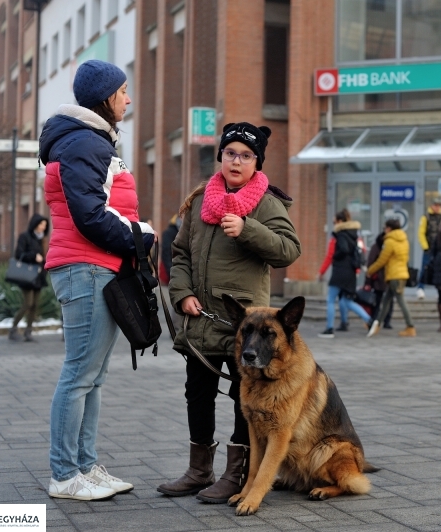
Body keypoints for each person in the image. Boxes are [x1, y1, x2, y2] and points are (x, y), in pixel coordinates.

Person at [158, 122, 301, 504]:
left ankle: (236, 474)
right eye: (230, 153)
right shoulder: (201, 199)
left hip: (246, 325)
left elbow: (289, 251)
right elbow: (180, 253)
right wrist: (182, 293)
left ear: (257, 162)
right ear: (220, 156)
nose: (236, 161)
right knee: (197, 392)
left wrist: (248, 228)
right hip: (201, 319)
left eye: (246, 155)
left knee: (244, 398)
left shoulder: (266, 203)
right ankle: (199, 470)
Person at [40, 59, 155, 500]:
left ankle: (86, 466)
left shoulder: (89, 140)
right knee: (79, 374)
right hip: (85, 266)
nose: (129, 98)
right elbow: (90, 215)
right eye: (123, 91)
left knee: (93, 375)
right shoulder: (85, 142)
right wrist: (140, 236)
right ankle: (65, 475)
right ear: (107, 97)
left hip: (96, 267)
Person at [316, 209, 372, 338]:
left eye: (334, 222)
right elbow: (360, 252)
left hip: (340, 272)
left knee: (331, 299)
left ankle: (329, 329)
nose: (334, 224)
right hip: (351, 272)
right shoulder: (356, 235)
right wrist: (357, 270)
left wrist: (321, 272)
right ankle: (368, 320)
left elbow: (330, 256)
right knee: (346, 301)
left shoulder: (338, 236)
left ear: (340, 221)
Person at [366, 218, 416, 338]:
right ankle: (377, 324)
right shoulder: (404, 240)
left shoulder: (390, 242)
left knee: (401, 301)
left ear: (389, 229)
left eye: (385, 228)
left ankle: (410, 326)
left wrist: (370, 270)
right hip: (402, 274)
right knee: (386, 301)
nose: (384, 230)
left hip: (394, 276)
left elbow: (382, 260)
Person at [8, 214, 50, 342]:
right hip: (26, 275)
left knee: (35, 305)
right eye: (41, 224)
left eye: (45, 225)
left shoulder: (44, 240)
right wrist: (33, 256)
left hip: (39, 275)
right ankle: (13, 328)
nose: (43, 227)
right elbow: (19, 254)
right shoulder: (25, 236)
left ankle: (28, 331)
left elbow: (45, 257)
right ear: (35, 224)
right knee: (28, 303)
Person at [416, 201, 441, 300]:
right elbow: (421, 233)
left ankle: (439, 290)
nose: (437, 207)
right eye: (435, 205)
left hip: (439, 249)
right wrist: (425, 247)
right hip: (429, 248)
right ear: (431, 206)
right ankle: (420, 288)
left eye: (439, 205)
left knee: (439, 270)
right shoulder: (426, 217)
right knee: (425, 268)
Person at [159, 214, 182, 330]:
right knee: (178, 297)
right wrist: (170, 270)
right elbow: (166, 253)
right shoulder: (169, 232)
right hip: (173, 269)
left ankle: (178, 326)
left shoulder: (182, 230)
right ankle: (176, 327)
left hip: (180, 268)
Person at [366, 232, 393, 330]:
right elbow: (371, 263)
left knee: (388, 301)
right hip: (379, 279)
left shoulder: (389, 247)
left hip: (387, 278)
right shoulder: (376, 248)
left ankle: (385, 321)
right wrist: (368, 281)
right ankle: (375, 320)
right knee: (378, 301)